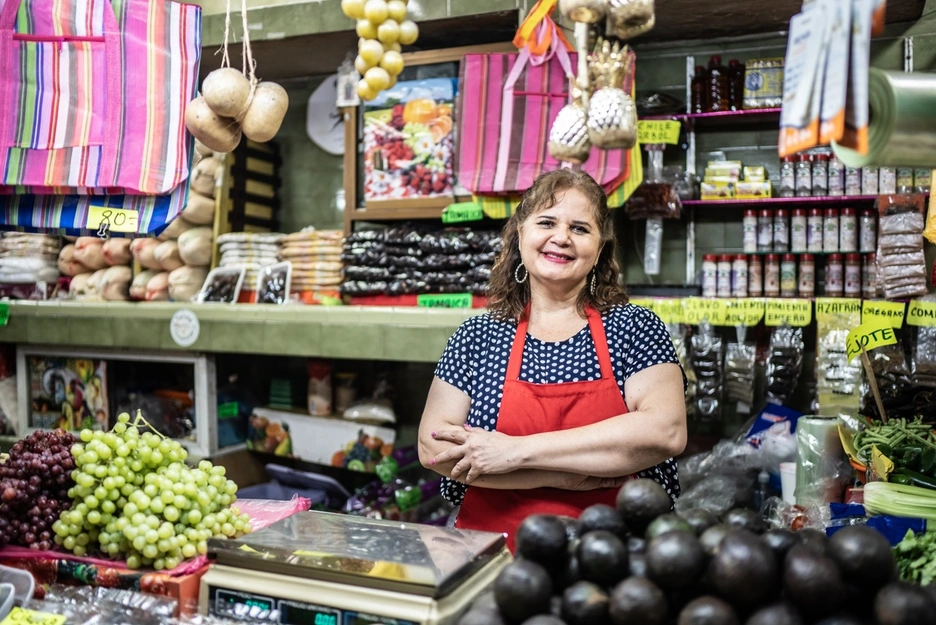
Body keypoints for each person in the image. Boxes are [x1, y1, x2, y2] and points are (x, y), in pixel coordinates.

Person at [417, 169, 687, 551]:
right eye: (546, 222)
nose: (561, 238)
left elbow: (665, 431)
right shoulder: (476, 336)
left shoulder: (635, 327)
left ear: (600, 249)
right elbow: (434, 450)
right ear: (520, 235)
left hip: (618, 556)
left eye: (580, 228)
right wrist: (564, 478)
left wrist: (514, 452)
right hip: (491, 552)